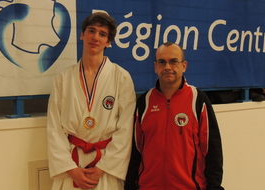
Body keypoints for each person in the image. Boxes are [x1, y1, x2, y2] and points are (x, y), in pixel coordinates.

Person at [47, 12, 136, 190]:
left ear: (109, 42)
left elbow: (125, 130)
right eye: (91, 31)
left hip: (104, 165)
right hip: (72, 163)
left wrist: (103, 168)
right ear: (82, 34)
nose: (95, 37)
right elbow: (54, 128)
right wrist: (70, 168)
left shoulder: (122, 78)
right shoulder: (63, 78)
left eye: (102, 34)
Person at [125, 42, 224, 190]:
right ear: (155, 66)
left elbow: (212, 150)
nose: (167, 67)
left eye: (173, 61)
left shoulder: (198, 100)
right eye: (162, 62)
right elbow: (135, 151)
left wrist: (214, 187)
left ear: (184, 65)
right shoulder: (144, 102)